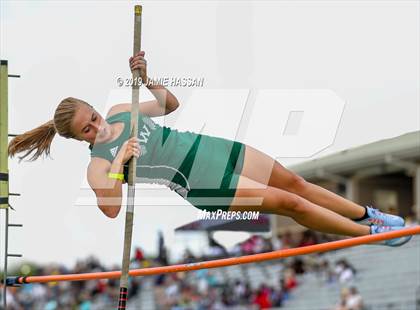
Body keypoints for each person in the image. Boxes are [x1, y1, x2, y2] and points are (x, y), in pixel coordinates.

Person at [8, 51, 412, 247]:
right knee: (290, 204)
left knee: (294, 181)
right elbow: (110, 208)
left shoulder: (120, 110)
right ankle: (368, 235)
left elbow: (169, 105)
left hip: (208, 148)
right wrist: (118, 161)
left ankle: (369, 214)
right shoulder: (97, 165)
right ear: (79, 138)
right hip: (199, 182)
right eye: (88, 128)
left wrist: (147, 79)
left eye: (93, 116)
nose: (97, 125)